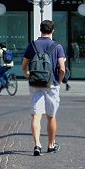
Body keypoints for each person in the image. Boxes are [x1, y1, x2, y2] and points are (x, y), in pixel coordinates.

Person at [21, 20, 67, 156]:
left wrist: (27, 75)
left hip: (35, 84)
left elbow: (23, 66)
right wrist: (58, 81)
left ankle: (37, 144)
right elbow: (62, 69)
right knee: (51, 116)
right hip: (51, 84)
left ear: (40, 30)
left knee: (36, 115)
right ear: (52, 31)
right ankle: (51, 145)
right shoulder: (57, 46)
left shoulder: (32, 45)